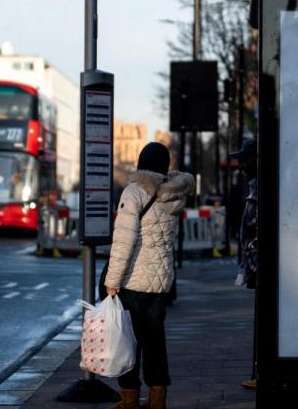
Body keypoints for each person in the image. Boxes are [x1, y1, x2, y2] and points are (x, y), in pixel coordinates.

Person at [104, 142, 194, 409]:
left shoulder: (134, 192)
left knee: (128, 344)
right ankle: (157, 400)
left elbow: (123, 241)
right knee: (155, 343)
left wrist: (112, 281)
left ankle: (129, 399)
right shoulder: (175, 195)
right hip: (160, 282)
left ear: (141, 162)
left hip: (132, 282)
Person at [233, 139, 258, 290]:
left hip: (256, 266)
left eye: (244, 161)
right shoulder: (253, 188)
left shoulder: (259, 189)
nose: (240, 166)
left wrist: (251, 265)